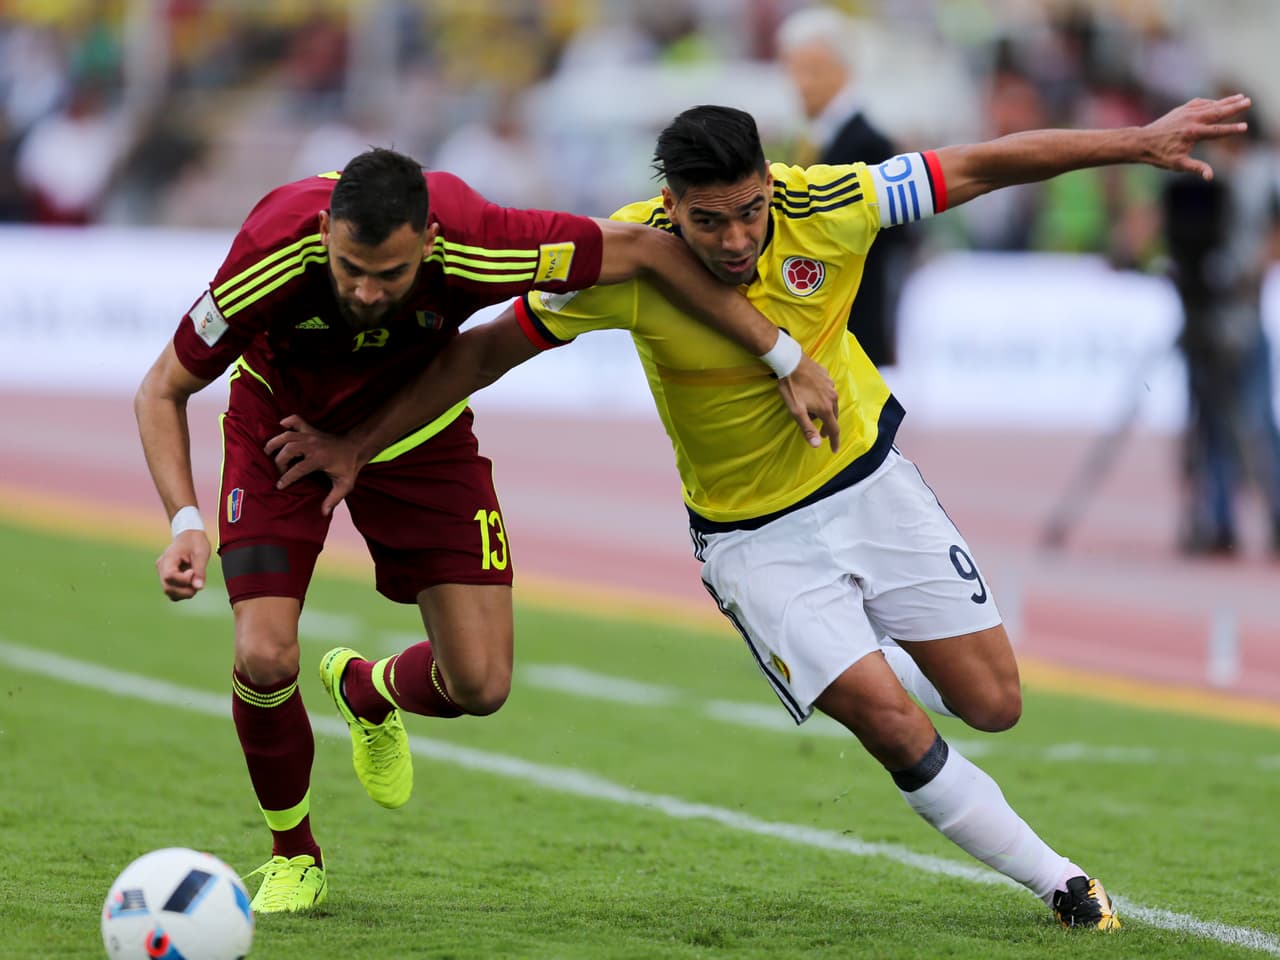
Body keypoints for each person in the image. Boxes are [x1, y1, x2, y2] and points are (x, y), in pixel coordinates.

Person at [267, 96, 1251, 931]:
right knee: (883, 718)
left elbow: (982, 165)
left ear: (768, 188)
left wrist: (1133, 138)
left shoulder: (833, 201)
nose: (734, 239)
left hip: (870, 487)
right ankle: (1062, 883)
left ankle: (865, 655)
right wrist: (357, 442)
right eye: (707, 222)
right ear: (669, 209)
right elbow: (484, 353)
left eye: (746, 213)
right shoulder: (625, 257)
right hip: (751, 543)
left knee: (994, 704)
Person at [134, 146, 839, 914]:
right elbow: (162, 389)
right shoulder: (271, 248)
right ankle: (294, 853)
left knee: (480, 685)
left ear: (431, 243)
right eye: (349, 269)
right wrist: (185, 521)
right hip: (286, 430)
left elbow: (646, 248)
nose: (368, 292)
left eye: (392, 275)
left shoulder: (485, 235)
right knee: (265, 655)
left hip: (415, 431)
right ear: (327, 234)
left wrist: (784, 354)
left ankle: (367, 689)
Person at [1161, 106, 1280, 555]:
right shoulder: (1197, 177)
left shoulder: (1260, 175)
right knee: (1208, 423)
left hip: (1242, 316)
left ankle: (1273, 514)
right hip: (1205, 314)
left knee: (1255, 422)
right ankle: (1217, 520)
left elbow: (1273, 234)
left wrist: (1250, 273)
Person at [776, 6, 911, 365]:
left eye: (811, 71)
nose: (799, 84)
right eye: (793, 70)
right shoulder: (810, 141)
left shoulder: (869, 145)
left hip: (854, 325)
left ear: (842, 71)